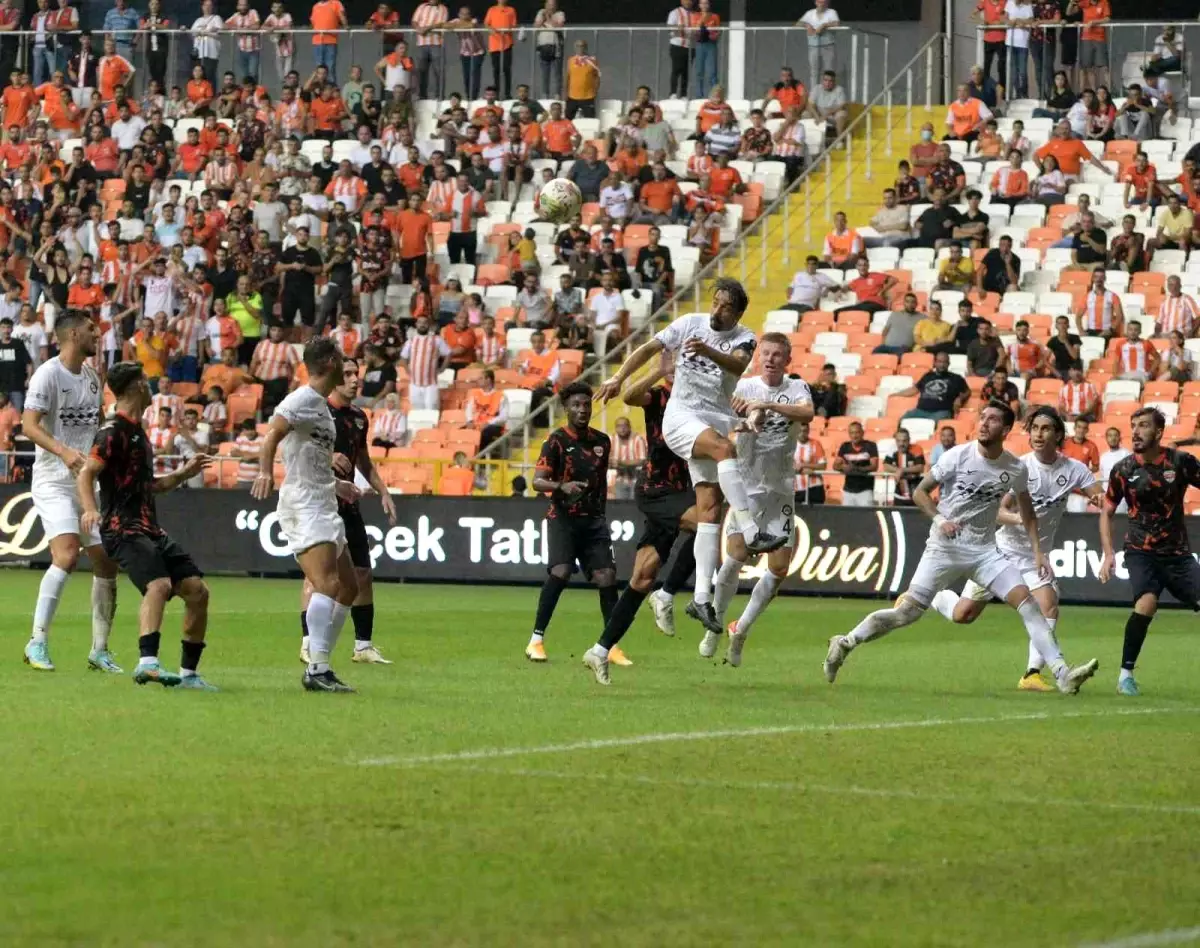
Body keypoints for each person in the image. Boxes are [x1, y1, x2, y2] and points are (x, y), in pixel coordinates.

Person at [824, 400, 1099, 693]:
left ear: (1005, 429)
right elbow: (920, 492)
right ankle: (845, 642)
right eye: (982, 417)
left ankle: (1062, 674)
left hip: (985, 552)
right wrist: (939, 519)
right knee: (907, 614)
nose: (983, 423)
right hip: (945, 548)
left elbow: (1028, 514)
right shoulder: (958, 456)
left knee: (1029, 604)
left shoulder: (1015, 468)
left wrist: (1038, 551)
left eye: (992, 419)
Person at [597, 279, 767, 640]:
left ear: (738, 314)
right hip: (681, 422)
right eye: (716, 302)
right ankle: (751, 528)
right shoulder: (688, 325)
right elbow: (647, 349)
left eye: (726, 307)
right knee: (725, 449)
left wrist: (706, 351)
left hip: (710, 422)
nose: (717, 310)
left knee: (709, 512)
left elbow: (736, 367)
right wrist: (618, 376)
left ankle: (699, 597)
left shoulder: (745, 337)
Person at [929, 406, 1102, 689]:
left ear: (1058, 434)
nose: (1038, 434)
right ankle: (935, 598)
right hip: (1002, 552)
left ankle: (1032, 673)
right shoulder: (1019, 467)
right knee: (964, 615)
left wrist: (1098, 500)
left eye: (1045, 428)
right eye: (1034, 428)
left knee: (1047, 603)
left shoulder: (1073, 470)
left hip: (1035, 556)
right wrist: (1020, 518)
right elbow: (998, 511)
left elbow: (1100, 495)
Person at [75, 361, 215, 690]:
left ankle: (189, 675)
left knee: (197, 591)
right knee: (159, 585)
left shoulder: (138, 433)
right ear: (138, 386)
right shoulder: (112, 433)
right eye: (146, 381)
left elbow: (149, 487)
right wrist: (89, 509)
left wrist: (184, 474)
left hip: (150, 528)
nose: (151, 386)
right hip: (122, 529)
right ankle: (147, 663)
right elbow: (86, 473)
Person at [251, 337, 360, 692]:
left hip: (323, 497)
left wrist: (335, 483)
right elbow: (273, 435)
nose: (346, 363)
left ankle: (321, 663)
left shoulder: (321, 406)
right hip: (304, 503)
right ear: (329, 361)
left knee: (349, 587)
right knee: (326, 584)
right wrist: (266, 472)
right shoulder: (301, 399)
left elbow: (305, 453)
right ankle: (317, 668)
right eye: (341, 357)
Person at [582, 351, 700, 675]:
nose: (679, 368)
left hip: (682, 491)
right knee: (709, 525)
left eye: (683, 363)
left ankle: (600, 650)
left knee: (641, 577)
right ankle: (667, 594)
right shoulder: (659, 396)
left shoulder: (698, 401)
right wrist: (655, 370)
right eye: (674, 363)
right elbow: (631, 395)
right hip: (656, 489)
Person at [19, 311, 120, 673]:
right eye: (92, 329)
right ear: (74, 334)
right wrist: (63, 452)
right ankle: (37, 641)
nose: (98, 333)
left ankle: (100, 650)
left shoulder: (92, 377)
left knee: (106, 561)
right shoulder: (48, 374)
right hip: (53, 479)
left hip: (86, 482)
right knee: (65, 555)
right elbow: (28, 426)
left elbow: (95, 427)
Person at [705, 334, 813, 665]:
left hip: (780, 488)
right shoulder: (744, 387)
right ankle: (715, 623)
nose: (770, 359)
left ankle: (741, 630)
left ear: (787, 360)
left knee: (779, 567)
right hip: (747, 485)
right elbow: (726, 424)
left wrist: (766, 407)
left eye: (777, 354)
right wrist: (746, 420)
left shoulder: (797, 388)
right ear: (758, 357)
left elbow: (806, 414)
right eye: (765, 353)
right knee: (736, 555)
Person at [298, 357, 397, 668]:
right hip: (321, 501)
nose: (356, 379)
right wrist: (328, 456)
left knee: (362, 575)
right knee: (317, 576)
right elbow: (298, 450)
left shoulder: (358, 417)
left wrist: (383, 491)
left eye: (358, 373)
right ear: (335, 378)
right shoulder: (316, 411)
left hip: (348, 503)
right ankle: (307, 643)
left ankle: (363, 645)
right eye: (350, 374)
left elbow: (363, 460)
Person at [1100, 408, 1200, 695]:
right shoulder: (1123, 469)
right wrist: (1108, 554)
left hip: (1178, 553)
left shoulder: (1180, 462)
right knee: (1146, 603)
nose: (1136, 431)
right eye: (1133, 425)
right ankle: (1125, 676)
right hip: (1140, 550)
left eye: (1143, 425)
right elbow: (1106, 512)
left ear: (1158, 432)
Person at [523, 381, 616, 665]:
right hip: (563, 518)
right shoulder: (555, 441)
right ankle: (536, 640)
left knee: (607, 578)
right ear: (566, 409)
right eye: (576, 405)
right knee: (561, 571)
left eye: (586, 404)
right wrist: (561, 487)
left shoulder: (602, 442)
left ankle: (610, 647)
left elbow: (599, 484)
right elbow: (537, 482)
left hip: (593, 522)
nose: (582, 410)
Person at [900, 350, 969, 422]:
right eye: (939, 362)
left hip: (941, 412)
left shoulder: (956, 378)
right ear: (935, 363)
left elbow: (967, 391)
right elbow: (914, 389)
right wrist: (895, 394)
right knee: (902, 420)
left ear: (949, 364)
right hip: (920, 410)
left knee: (930, 424)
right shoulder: (927, 376)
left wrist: (960, 398)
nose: (942, 365)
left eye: (944, 362)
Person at [797, 0, 839, 89]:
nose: (821, 4)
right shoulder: (810, 13)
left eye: (823, 2)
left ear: (827, 3)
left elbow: (837, 23)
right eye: (819, 1)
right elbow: (798, 23)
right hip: (813, 46)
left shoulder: (831, 12)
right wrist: (807, 24)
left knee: (829, 71)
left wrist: (824, 25)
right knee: (814, 72)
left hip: (828, 46)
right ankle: (814, 94)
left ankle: (829, 92)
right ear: (815, 2)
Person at [834, 421, 877, 506]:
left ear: (862, 433)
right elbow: (835, 465)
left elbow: (874, 466)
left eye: (857, 432)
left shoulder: (871, 446)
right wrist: (844, 467)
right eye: (852, 433)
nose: (854, 435)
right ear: (849, 434)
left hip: (865, 490)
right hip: (848, 490)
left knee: (865, 517)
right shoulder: (844, 446)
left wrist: (856, 469)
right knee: (847, 518)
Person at [805, 70, 848, 142]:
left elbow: (841, 106)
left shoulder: (839, 89)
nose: (827, 83)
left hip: (832, 114)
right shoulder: (816, 88)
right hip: (819, 113)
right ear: (822, 81)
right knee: (805, 113)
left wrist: (825, 115)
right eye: (825, 80)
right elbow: (810, 105)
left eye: (830, 81)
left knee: (841, 114)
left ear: (834, 82)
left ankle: (839, 140)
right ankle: (808, 140)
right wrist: (817, 117)